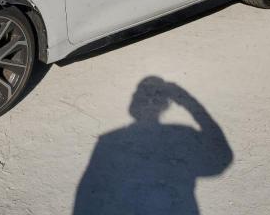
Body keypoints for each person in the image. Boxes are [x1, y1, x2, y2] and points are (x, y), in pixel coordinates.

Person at [74, 76, 233, 215]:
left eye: (154, 95)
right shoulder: (183, 135)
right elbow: (221, 159)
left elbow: (87, 194)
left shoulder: (109, 141)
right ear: (167, 104)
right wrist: (189, 102)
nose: (150, 101)